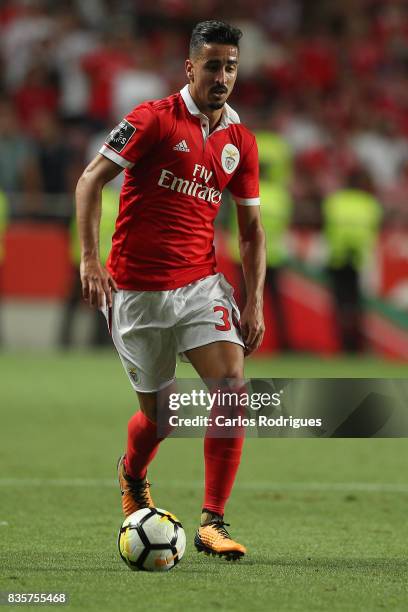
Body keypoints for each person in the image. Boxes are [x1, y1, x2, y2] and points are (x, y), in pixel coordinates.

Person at [75, 20, 265, 560]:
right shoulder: (152, 119)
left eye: (230, 66)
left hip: (199, 285)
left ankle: (213, 520)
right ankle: (132, 473)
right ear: (190, 67)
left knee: (231, 386)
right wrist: (91, 258)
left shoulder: (240, 141)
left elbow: (251, 231)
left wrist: (252, 301)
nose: (222, 75)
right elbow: (90, 180)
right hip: (136, 291)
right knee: (160, 417)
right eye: (212, 65)